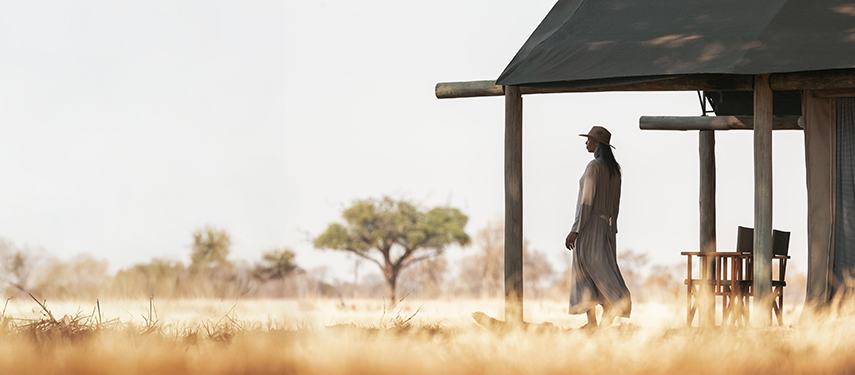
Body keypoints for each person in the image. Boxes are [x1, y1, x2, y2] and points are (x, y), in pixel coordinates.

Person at [565, 125, 632, 329]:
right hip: (607, 228)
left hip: (590, 226)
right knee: (604, 269)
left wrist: (575, 229)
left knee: (585, 271)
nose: (586, 142)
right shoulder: (615, 170)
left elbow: (586, 202)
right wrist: (611, 230)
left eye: (589, 139)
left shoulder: (594, 166)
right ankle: (601, 319)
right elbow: (616, 205)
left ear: (598, 144)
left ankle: (600, 317)